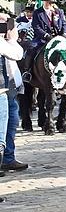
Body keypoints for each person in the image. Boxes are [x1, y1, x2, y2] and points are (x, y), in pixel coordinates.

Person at [0, 14, 26, 172]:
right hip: (2, 88)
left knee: (12, 123)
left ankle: (8, 158)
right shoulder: (4, 43)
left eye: (5, 25)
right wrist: (13, 39)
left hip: (10, 87)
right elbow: (17, 53)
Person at [23, 0, 66, 83]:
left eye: (50, 2)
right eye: (46, 1)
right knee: (31, 48)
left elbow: (64, 24)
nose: (48, 3)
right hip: (43, 39)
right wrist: (46, 35)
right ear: (43, 2)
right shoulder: (38, 12)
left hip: (58, 38)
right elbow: (36, 27)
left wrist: (64, 34)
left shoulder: (59, 12)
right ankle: (27, 71)